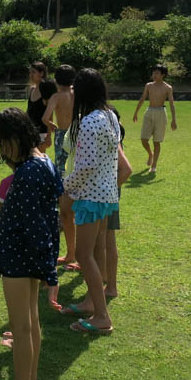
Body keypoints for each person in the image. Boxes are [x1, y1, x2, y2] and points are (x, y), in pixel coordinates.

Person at [0, 107, 63, 380]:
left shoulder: (29, 171)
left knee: (20, 328)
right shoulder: (43, 162)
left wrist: (49, 271)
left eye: (4, 143)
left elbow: (37, 224)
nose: (3, 151)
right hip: (28, 257)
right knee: (29, 324)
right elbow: (49, 216)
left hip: (21, 258)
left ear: (18, 137)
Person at [61, 68, 120, 335]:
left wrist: (62, 186)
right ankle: (90, 303)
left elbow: (85, 167)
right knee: (96, 251)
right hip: (107, 195)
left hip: (91, 197)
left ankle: (102, 317)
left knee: (84, 254)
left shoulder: (87, 121)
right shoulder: (109, 115)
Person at [42, 64, 77, 270]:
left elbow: (45, 117)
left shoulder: (56, 97)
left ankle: (63, 202)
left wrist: (52, 126)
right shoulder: (77, 95)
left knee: (62, 176)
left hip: (62, 136)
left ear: (57, 80)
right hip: (77, 135)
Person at [104, 106, 132, 301]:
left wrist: (111, 193)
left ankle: (111, 285)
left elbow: (126, 170)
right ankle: (105, 278)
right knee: (104, 238)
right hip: (107, 192)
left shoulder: (114, 139)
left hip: (107, 193)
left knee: (107, 238)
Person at [132, 64, 177, 173]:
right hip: (149, 112)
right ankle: (150, 154)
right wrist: (136, 113)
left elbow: (171, 103)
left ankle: (154, 165)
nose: (154, 75)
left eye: (157, 73)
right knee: (144, 139)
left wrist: (173, 119)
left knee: (156, 141)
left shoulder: (168, 88)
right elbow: (143, 98)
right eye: (153, 73)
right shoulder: (148, 85)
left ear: (163, 75)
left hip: (161, 113)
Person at [25, 61, 50, 147]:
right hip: (29, 131)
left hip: (42, 132)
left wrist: (49, 136)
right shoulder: (31, 89)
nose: (30, 75)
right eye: (30, 72)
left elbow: (50, 116)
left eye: (33, 72)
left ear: (41, 73)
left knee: (39, 159)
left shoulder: (46, 91)